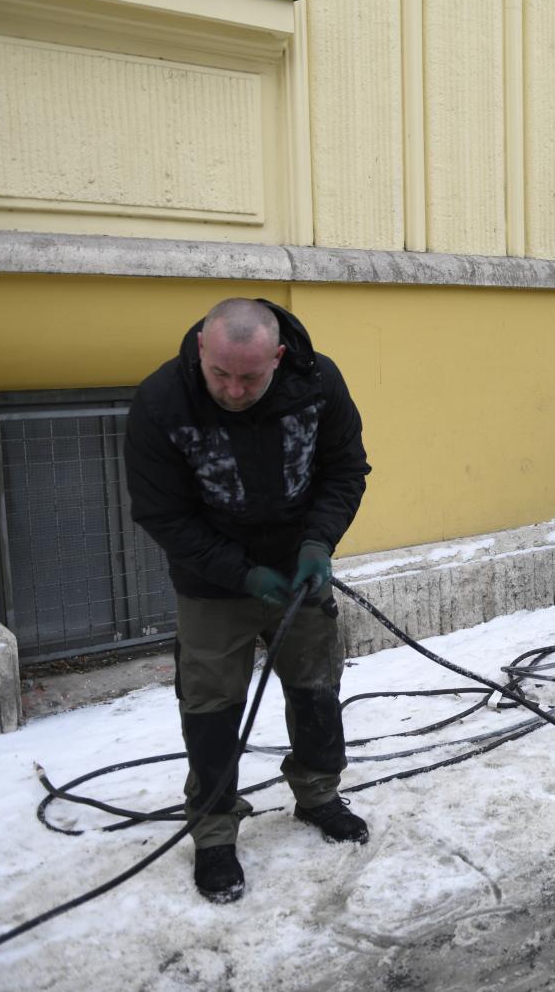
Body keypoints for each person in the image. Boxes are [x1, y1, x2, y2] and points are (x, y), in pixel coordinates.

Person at [124, 297, 371, 903]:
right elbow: (163, 515)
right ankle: (212, 832)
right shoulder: (161, 403)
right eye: (221, 375)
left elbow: (345, 468)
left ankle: (317, 795)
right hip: (211, 584)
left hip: (299, 570)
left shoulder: (318, 383)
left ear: (278, 357)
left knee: (316, 690)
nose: (234, 390)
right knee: (211, 709)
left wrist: (318, 543)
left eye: (251, 377)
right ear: (202, 350)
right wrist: (242, 574)